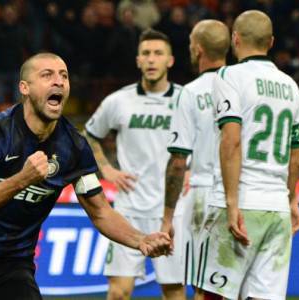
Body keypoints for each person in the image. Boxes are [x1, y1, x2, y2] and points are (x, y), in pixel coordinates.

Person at [0, 52, 172, 300]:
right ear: (24, 87)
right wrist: (23, 179)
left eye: (63, 76)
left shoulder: (74, 147)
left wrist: (141, 240)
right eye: (47, 75)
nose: (58, 81)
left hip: (13, 260)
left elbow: (100, 212)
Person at [192, 10, 299, 300]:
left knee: (214, 295)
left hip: (241, 203)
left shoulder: (229, 76)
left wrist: (231, 203)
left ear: (235, 39)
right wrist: (291, 200)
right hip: (276, 207)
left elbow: (231, 142)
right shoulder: (292, 88)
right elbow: (297, 157)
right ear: (271, 41)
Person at [84, 29, 191, 300]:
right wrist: (106, 169)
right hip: (128, 210)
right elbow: (89, 136)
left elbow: (208, 140)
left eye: (158, 53)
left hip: (172, 211)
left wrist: (194, 169)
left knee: (174, 291)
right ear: (137, 61)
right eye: (146, 54)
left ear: (170, 60)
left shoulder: (186, 99)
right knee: (119, 292)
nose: (151, 59)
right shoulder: (119, 100)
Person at [161, 19, 230, 285]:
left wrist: (167, 217)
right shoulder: (243, 87)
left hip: (204, 195)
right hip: (243, 193)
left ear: (198, 49)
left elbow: (178, 163)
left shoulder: (190, 92)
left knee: (204, 286)